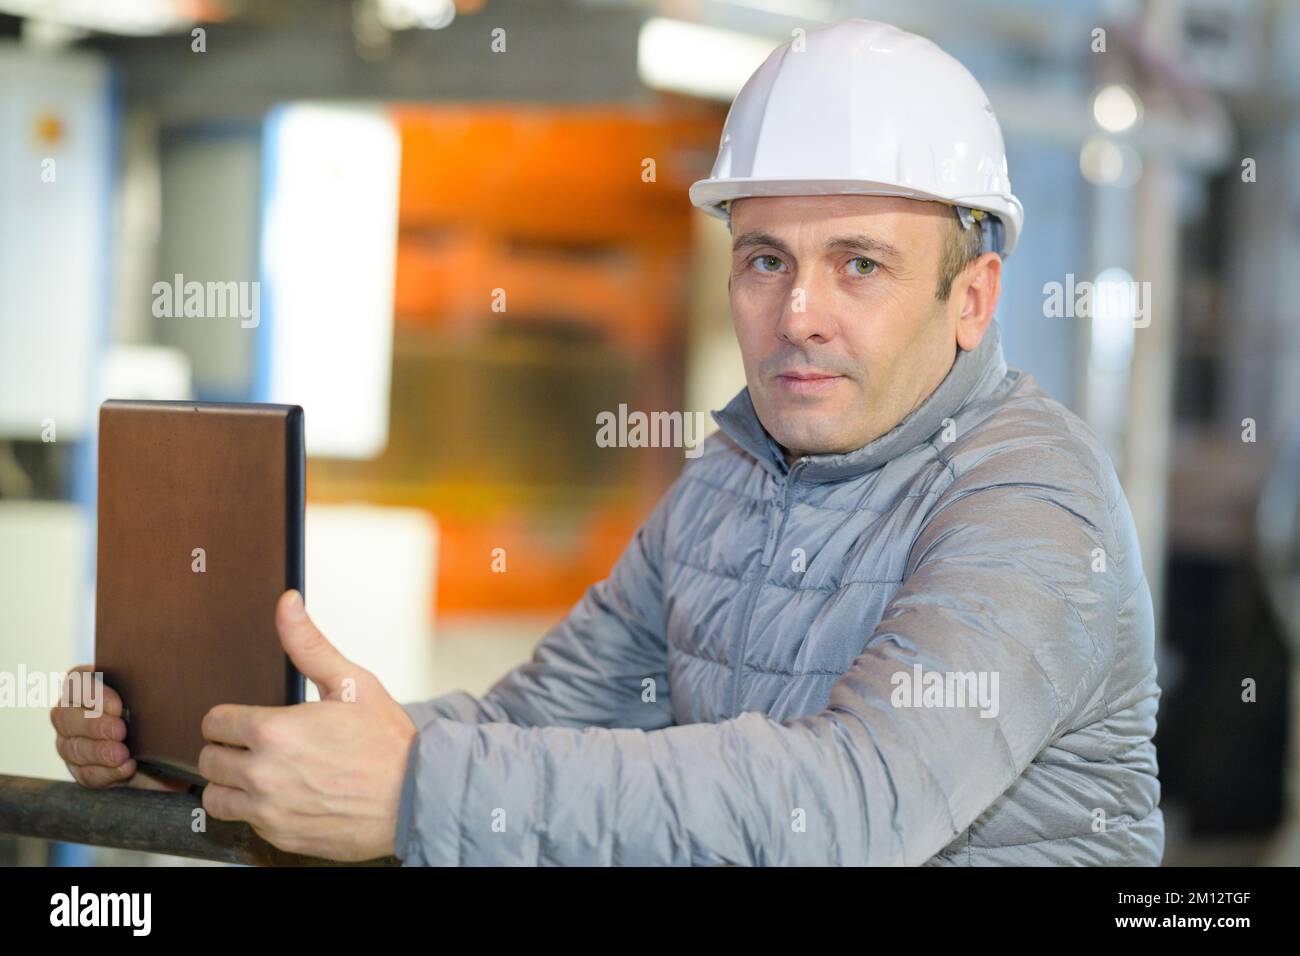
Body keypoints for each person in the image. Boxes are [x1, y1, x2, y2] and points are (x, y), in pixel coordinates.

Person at [51, 18, 1163, 865]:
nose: (799, 312)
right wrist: (249, 757)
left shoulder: (1031, 503)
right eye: (766, 257)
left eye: (858, 263)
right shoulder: (732, 476)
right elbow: (534, 723)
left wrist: (412, 787)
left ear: (971, 299)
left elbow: (849, 799)